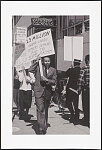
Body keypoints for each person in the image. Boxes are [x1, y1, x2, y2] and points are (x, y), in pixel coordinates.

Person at [28, 56, 57, 134]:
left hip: (47, 92)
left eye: (48, 61)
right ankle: (41, 128)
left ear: (50, 62)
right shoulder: (38, 68)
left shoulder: (53, 70)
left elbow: (54, 81)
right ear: (43, 62)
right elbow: (30, 70)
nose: (47, 62)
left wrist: (47, 80)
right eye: (45, 61)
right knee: (40, 108)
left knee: (45, 109)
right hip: (39, 91)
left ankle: (44, 125)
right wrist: (37, 61)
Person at [65, 59, 81, 124]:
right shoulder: (81, 70)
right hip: (77, 89)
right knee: (76, 103)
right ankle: (77, 115)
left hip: (70, 88)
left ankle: (72, 113)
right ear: (79, 64)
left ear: (74, 63)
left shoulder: (71, 70)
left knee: (68, 102)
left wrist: (70, 67)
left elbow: (65, 74)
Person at [78, 54, 90, 127]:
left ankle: (86, 120)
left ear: (87, 60)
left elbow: (80, 79)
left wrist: (79, 88)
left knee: (86, 105)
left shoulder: (84, 68)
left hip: (86, 89)